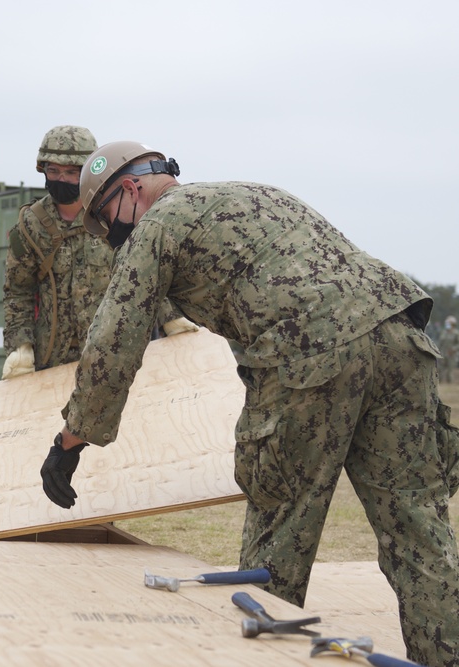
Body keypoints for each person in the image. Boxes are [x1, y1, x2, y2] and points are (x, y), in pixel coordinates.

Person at [39, 140, 459, 666]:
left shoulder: (158, 225)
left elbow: (112, 343)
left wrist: (71, 440)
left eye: (108, 221)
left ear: (129, 189)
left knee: (278, 538)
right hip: (403, 338)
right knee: (419, 532)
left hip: (308, 359)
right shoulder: (255, 193)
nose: (115, 236)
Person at [2, 126, 195, 380]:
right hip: (53, 360)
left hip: (117, 351)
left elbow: (148, 270)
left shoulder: (113, 213)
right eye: (53, 171)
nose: (62, 179)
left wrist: (171, 319)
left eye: (72, 172)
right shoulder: (31, 225)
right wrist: (21, 347)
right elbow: (18, 291)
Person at [438, 316, 459, 383]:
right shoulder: (444, 332)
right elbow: (440, 343)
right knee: (440, 370)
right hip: (443, 354)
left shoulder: (456, 333)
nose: (447, 324)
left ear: (453, 324)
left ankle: (450, 386)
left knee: (450, 372)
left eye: (448, 323)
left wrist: (453, 349)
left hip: (452, 355)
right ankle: (439, 383)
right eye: (446, 323)